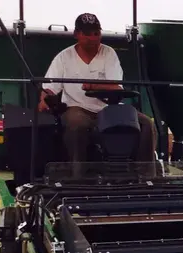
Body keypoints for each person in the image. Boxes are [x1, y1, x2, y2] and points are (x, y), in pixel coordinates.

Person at [38, 13, 157, 163]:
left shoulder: (108, 53)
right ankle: (78, 173)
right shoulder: (64, 57)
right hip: (77, 107)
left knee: (147, 124)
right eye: (87, 34)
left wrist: (93, 86)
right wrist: (44, 100)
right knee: (76, 124)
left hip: (109, 109)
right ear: (76, 34)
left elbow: (116, 88)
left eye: (97, 33)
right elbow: (49, 88)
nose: (93, 38)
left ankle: (145, 172)